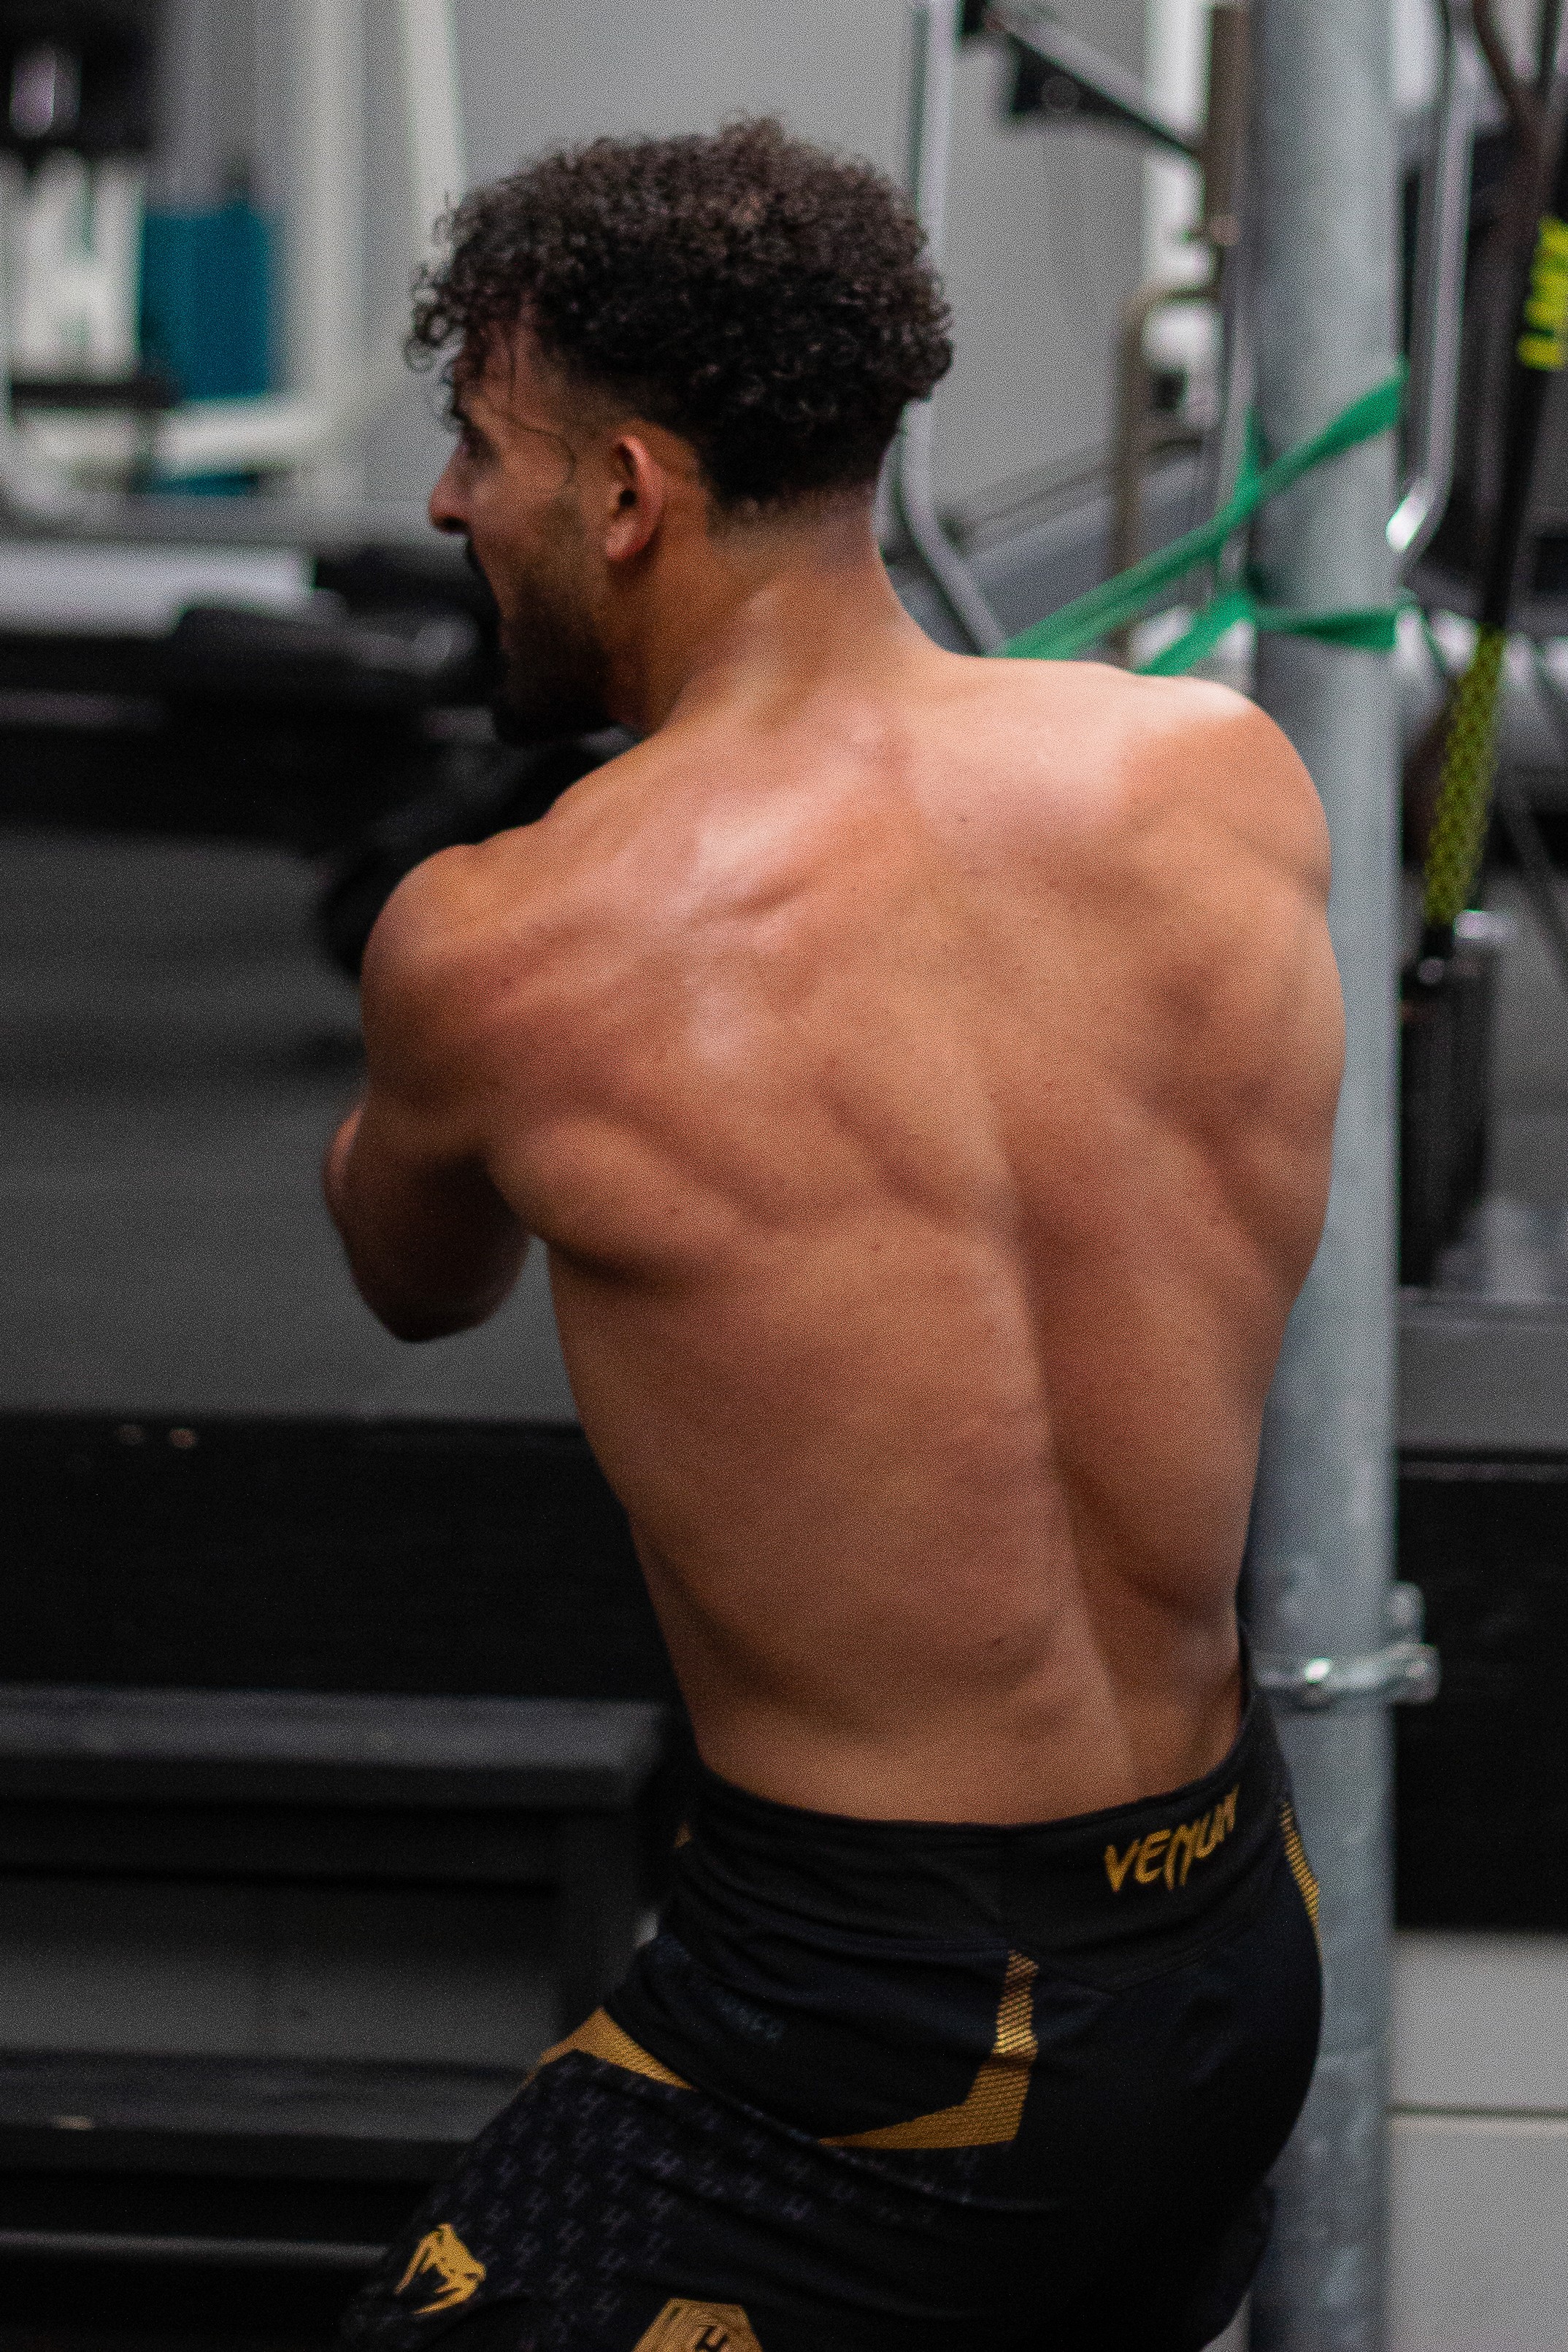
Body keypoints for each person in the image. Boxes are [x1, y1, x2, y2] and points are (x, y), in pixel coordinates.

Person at [327, 118, 1340, 2352]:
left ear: (623, 495)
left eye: (480, 445)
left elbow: (414, 1277)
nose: (448, 506)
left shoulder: (506, 946)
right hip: (1228, 1937)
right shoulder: (1219, 780)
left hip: (878, 2025)